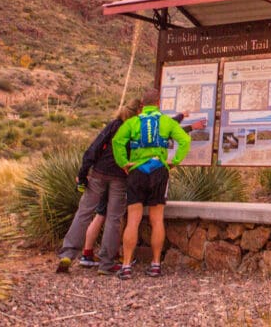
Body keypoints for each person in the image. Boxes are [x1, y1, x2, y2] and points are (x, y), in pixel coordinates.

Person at [112, 88, 191, 279]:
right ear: (158, 103)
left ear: (142, 105)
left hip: (137, 171)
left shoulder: (133, 122)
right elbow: (185, 140)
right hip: (158, 170)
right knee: (157, 220)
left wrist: (123, 163)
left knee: (133, 220)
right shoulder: (166, 122)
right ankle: (156, 264)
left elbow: (117, 141)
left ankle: (126, 266)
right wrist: (175, 161)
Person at [55, 100, 139, 275]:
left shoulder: (114, 125)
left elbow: (94, 148)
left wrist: (83, 172)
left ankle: (68, 254)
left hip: (98, 173)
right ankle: (106, 263)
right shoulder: (135, 130)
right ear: (138, 112)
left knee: (84, 212)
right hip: (119, 177)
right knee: (114, 218)